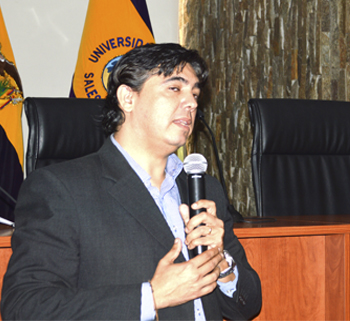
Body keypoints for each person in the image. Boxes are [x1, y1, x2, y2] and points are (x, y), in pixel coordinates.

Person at [1, 43, 262, 320]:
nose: (192, 103)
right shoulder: (60, 189)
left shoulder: (204, 189)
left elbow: (247, 305)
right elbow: (25, 306)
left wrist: (221, 264)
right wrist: (152, 297)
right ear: (127, 98)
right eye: (175, 88)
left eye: (195, 93)